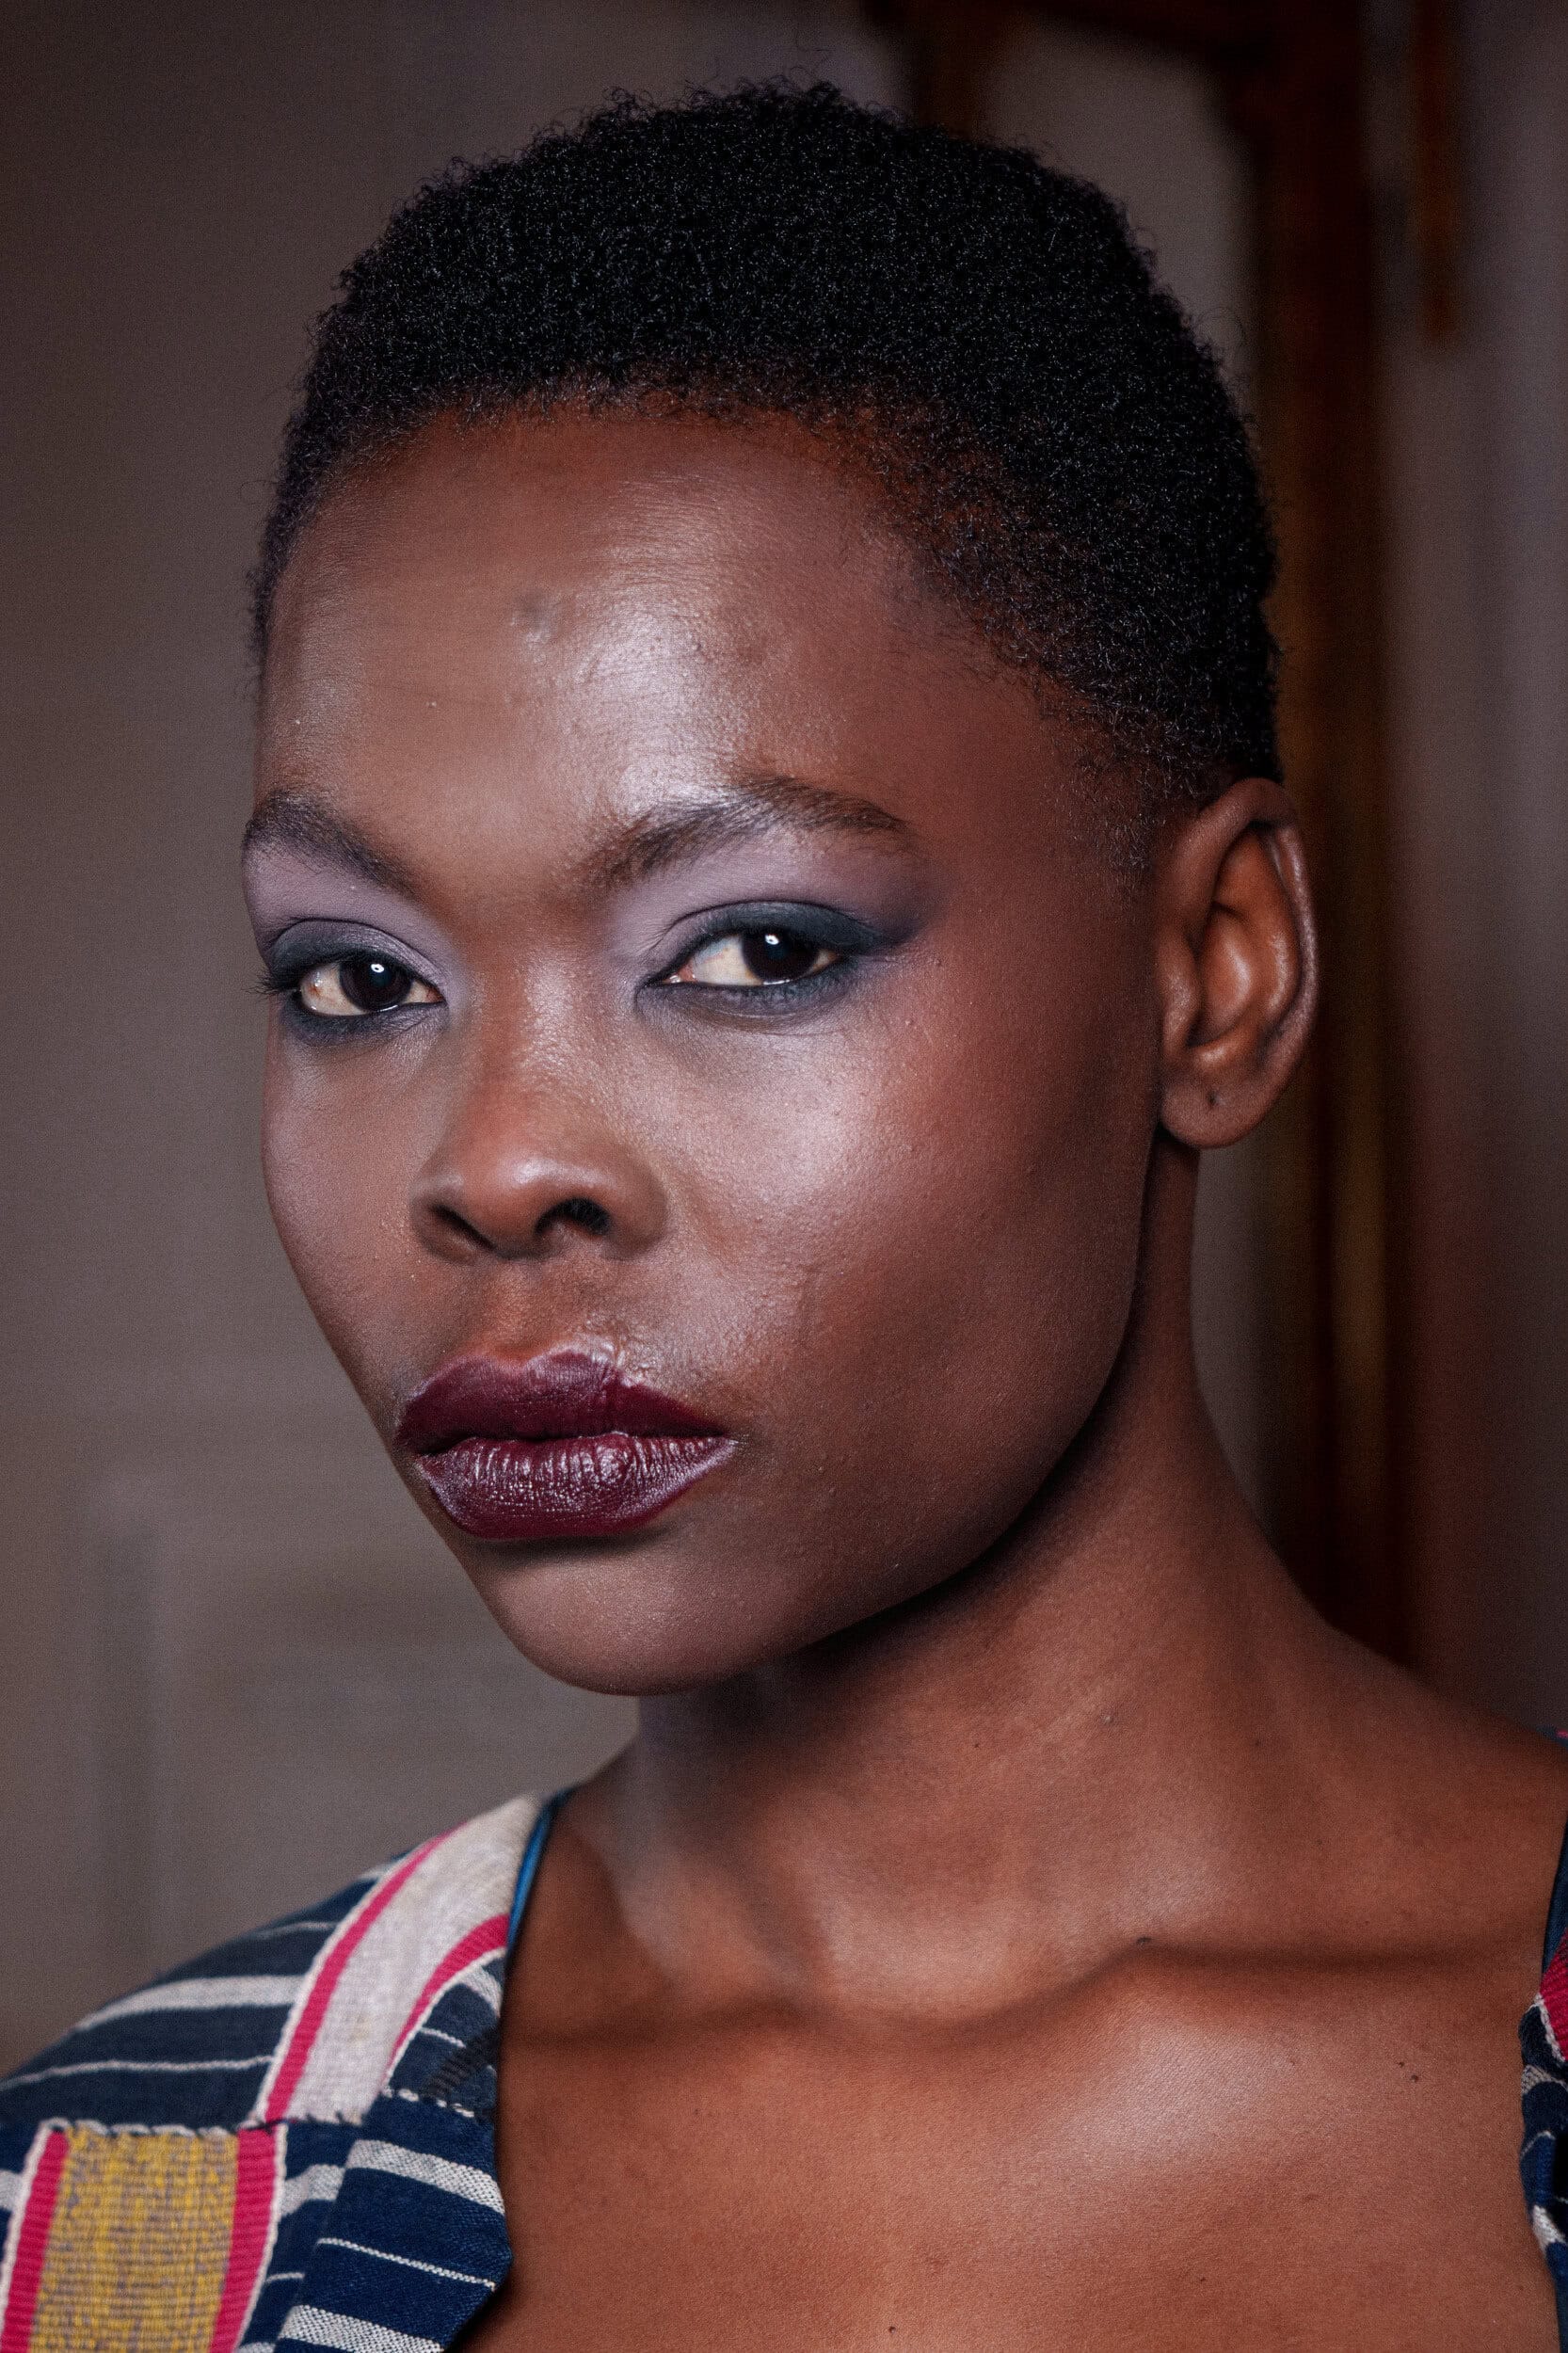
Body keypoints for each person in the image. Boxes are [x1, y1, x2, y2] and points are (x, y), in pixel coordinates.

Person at [2, 80, 1566, 2353]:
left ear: (1214, 971)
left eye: (751, 946)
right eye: (358, 978)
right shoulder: (115, 2223)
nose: (493, 1162)